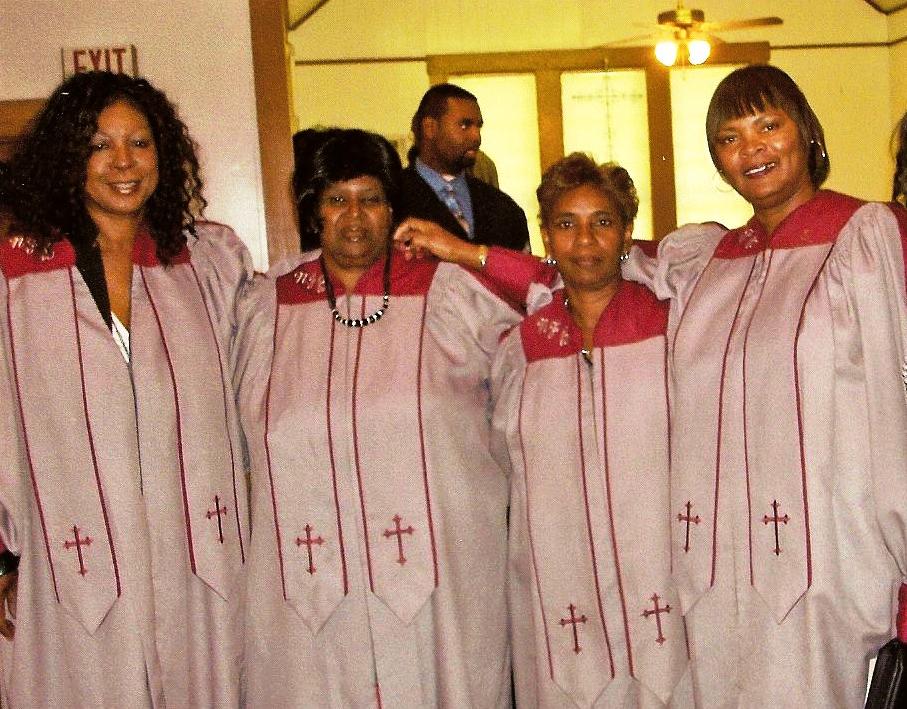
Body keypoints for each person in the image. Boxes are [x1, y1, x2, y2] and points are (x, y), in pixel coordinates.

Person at [235, 128, 552, 707]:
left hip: (438, 591)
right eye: (336, 200)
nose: (354, 218)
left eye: (371, 199)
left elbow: (565, 292)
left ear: (395, 210)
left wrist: (469, 251)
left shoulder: (453, 293)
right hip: (307, 595)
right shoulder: (266, 305)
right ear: (313, 210)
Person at [624, 64, 907, 707]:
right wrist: (470, 253)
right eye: (728, 137)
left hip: (833, 561)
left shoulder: (863, 236)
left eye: (768, 125)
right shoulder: (710, 261)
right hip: (715, 569)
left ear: (806, 130)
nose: (751, 149)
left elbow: (897, 405)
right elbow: (594, 265)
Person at [0, 71, 251, 706]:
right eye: (99, 143)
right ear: (68, 157)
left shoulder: (206, 265)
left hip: (201, 568)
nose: (123, 162)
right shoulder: (16, 279)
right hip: (72, 571)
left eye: (139, 142)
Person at [492, 153, 691, 708]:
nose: (585, 241)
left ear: (627, 232)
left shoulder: (670, 326)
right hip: (560, 573)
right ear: (546, 239)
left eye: (602, 222)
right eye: (566, 224)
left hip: (660, 562)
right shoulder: (521, 348)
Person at [399, 83, 530, 250]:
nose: (476, 137)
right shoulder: (393, 199)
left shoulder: (503, 208)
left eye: (479, 126)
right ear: (430, 128)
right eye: (464, 125)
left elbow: (524, 271)